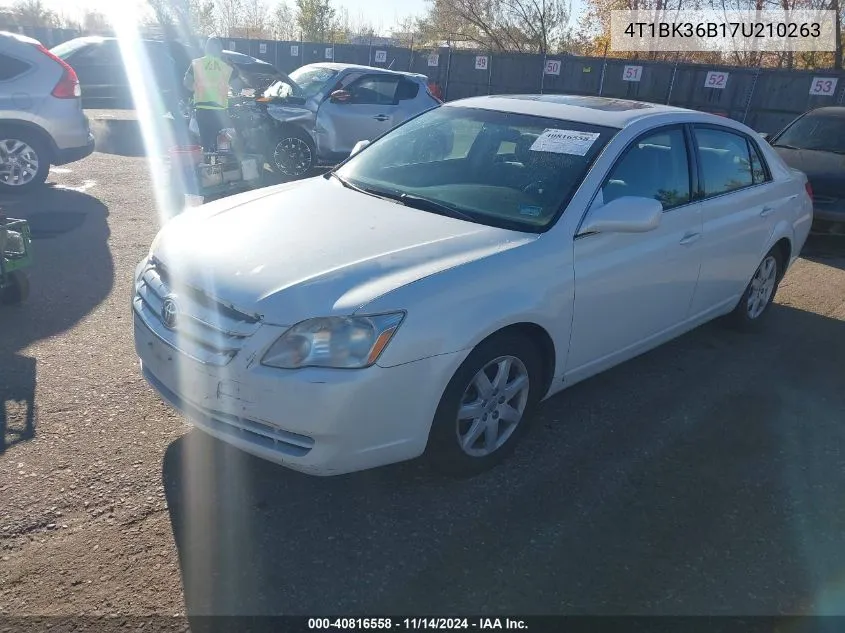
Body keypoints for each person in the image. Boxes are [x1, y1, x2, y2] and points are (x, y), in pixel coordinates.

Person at [183, 37, 241, 153]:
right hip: (219, 111)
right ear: (220, 50)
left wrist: (198, 89)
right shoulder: (227, 66)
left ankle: (207, 164)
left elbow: (186, 83)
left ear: (206, 49)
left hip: (202, 110)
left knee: (205, 142)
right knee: (221, 143)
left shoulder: (196, 63)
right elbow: (238, 87)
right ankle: (220, 167)